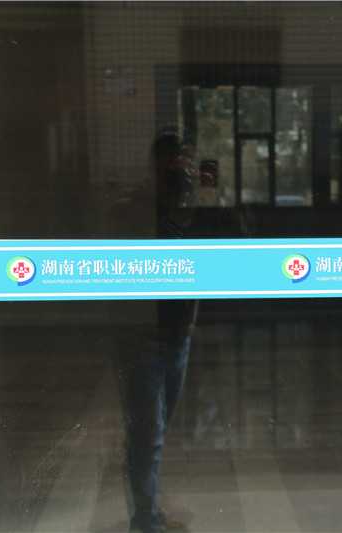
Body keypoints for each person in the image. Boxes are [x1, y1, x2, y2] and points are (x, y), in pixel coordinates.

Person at [115, 129, 199, 533]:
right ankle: (145, 519)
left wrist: (200, 203)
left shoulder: (191, 207)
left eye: (184, 162)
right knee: (149, 433)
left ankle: (147, 509)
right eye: (172, 162)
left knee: (156, 427)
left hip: (178, 333)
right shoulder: (138, 206)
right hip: (142, 336)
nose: (179, 170)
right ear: (156, 165)